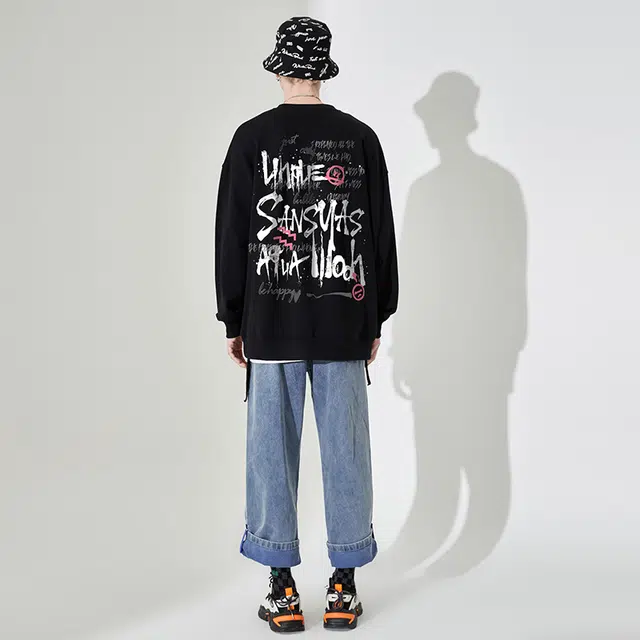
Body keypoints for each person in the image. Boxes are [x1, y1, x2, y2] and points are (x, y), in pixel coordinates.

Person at [214, 15, 399, 633]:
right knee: (347, 451)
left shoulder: (250, 138)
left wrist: (233, 316)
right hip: (344, 320)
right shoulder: (361, 138)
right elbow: (379, 236)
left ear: (279, 68)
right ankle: (344, 585)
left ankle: (281, 587)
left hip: (271, 321)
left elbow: (233, 233)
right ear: (323, 69)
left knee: (270, 452)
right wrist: (377, 313)